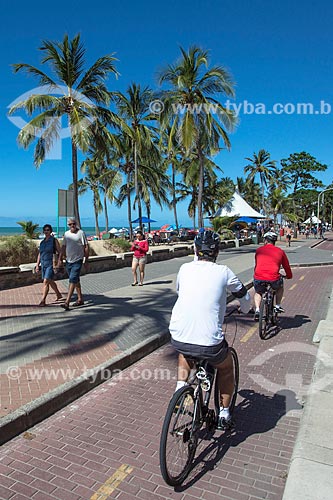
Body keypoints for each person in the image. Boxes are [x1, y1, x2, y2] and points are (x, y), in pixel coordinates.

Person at [169, 230, 251, 430]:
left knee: (185, 351)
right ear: (216, 252)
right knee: (226, 367)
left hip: (178, 335)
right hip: (209, 343)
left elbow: (180, 291)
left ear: (195, 249)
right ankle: (223, 413)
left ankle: (180, 388)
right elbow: (244, 296)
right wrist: (246, 309)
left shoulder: (184, 268)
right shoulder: (224, 272)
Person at [253, 231, 292, 321]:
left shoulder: (259, 250)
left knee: (258, 292)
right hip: (274, 278)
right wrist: (289, 276)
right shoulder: (280, 251)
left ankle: (258, 310)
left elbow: (257, 264)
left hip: (259, 277)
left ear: (266, 241)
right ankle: (277, 305)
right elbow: (286, 266)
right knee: (280, 287)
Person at [57, 218, 89, 310]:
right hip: (68, 261)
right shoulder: (67, 234)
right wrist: (60, 259)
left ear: (76, 224)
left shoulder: (81, 233)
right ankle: (80, 299)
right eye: (70, 224)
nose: (72, 226)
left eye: (73, 224)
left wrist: (86, 260)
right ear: (68, 225)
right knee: (76, 280)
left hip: (78, 260)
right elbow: (63, 246)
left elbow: (86, 246)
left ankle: (67, 302)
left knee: (72, 279)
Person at [35, 224, 63, 306]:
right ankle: (58, 294)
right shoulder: (42, 242)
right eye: (45, 230)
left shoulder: (54, 240)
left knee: (46, 281)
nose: (46, 231)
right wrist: (37, 265)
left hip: (51, 264)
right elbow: (40, 254)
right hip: (44, 264)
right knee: (50, 281)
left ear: (50, 231)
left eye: (48, 230)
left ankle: (43, 300)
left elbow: (60, 251)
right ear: (43, 231)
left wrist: (59, 262)